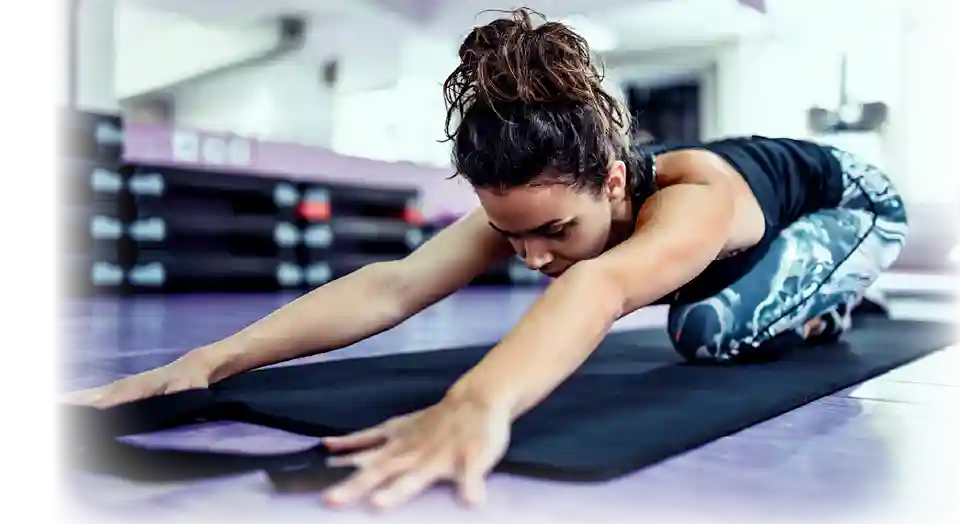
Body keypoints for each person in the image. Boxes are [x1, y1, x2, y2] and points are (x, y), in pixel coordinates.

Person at [53, 8, 907, 513]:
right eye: (514, 236)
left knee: (706, 328)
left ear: (613, 182)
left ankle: (828, 304)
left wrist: (477, 405)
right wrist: (208, 363)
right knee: (695, 311)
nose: (534, 259)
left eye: (556, 233)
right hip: (764, 219)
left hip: (858, 208)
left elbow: (605, 287)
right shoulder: (540, 199)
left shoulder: (695, 201)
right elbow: (391, 288)